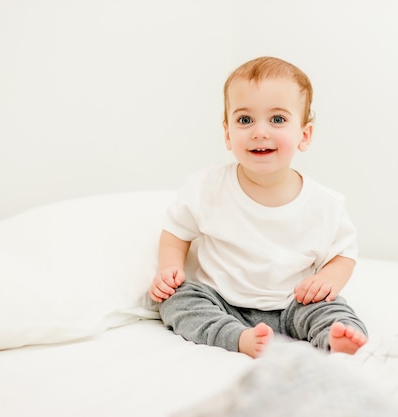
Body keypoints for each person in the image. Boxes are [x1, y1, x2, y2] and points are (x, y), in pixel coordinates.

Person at [149, 56, 367, 358]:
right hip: (219, 298)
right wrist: (169, 268)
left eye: (277, 119)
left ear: (304, 135)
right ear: (227, 134)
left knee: (331, 308)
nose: (259, 132)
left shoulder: (325, 204)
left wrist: (326, 281)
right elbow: (176, 232)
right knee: (176, 299)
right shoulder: (206, 187)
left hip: (294, 302)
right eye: (244, 120)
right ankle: (236, 337)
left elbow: (343, 254)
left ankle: (337, 338)